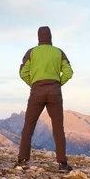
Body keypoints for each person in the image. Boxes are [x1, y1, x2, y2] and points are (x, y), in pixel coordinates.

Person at [18, 26, 74, 171]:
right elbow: (68, 72)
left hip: (37, 91)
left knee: (29, 126)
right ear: (50, 36)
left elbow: (23, 72)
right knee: (58, 128)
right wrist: (57, 84)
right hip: (55, 91)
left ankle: (23, 160)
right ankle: (62, 163)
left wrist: (34, 83)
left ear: (38, 37)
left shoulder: (31, 52)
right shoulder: (58, 52)